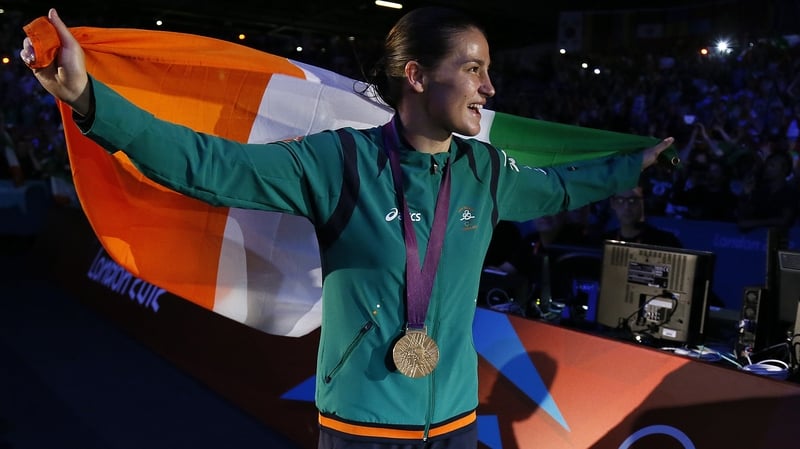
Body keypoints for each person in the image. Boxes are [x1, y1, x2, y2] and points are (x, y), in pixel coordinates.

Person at [21, 7, 673, 448]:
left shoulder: (486, 172)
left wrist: (628, 168)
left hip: (456, 424)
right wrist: (89, 101)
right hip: (361, 425)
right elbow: (207, 165)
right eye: (473, 68)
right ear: (416, 75)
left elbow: (562, 186)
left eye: (487, 69)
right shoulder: (337, 160)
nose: (489, 86)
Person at [603, 185, 683, 248]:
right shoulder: (602, 242)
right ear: (613, 204)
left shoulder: (665, 242)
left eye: (633, 200)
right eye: (620, 200)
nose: (626, 207)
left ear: (643, 203)